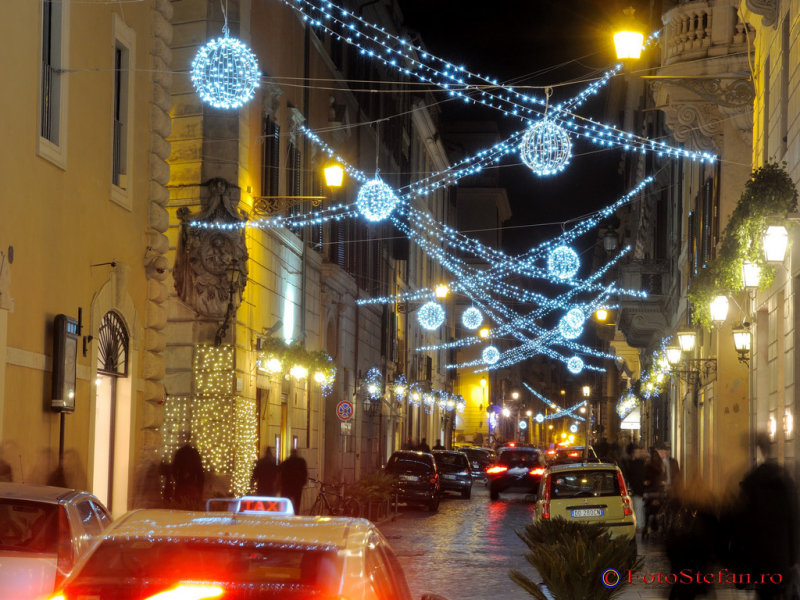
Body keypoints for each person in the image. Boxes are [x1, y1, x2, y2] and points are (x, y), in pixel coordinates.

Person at [729, 432, 798, 599]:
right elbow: (794, 520)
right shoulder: (786, 480)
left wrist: (740, 561)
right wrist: (793, 557)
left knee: (765, 593)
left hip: (758, 557)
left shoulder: (751, 481)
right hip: (781, 556)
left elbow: (740, 523)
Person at [172, 440, 204, 510]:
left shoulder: (180, 452)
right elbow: (200, 472)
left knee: (179, 505)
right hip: (191, 484)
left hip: (182, 483)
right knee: (191, 505)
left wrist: (177, 479)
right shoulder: (194, 453)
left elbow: (174, 469)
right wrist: (200, 488)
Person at [280, 449, 308, 515]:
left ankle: (286, 513)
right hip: (297, 485)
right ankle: (296, 513)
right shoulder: (301, 462)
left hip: (287, 485)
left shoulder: (286, 462)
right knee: (297, 503)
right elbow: (304, 473)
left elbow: (282, 473)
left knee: (287, 500)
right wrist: (303, 483)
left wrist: (282, 484)